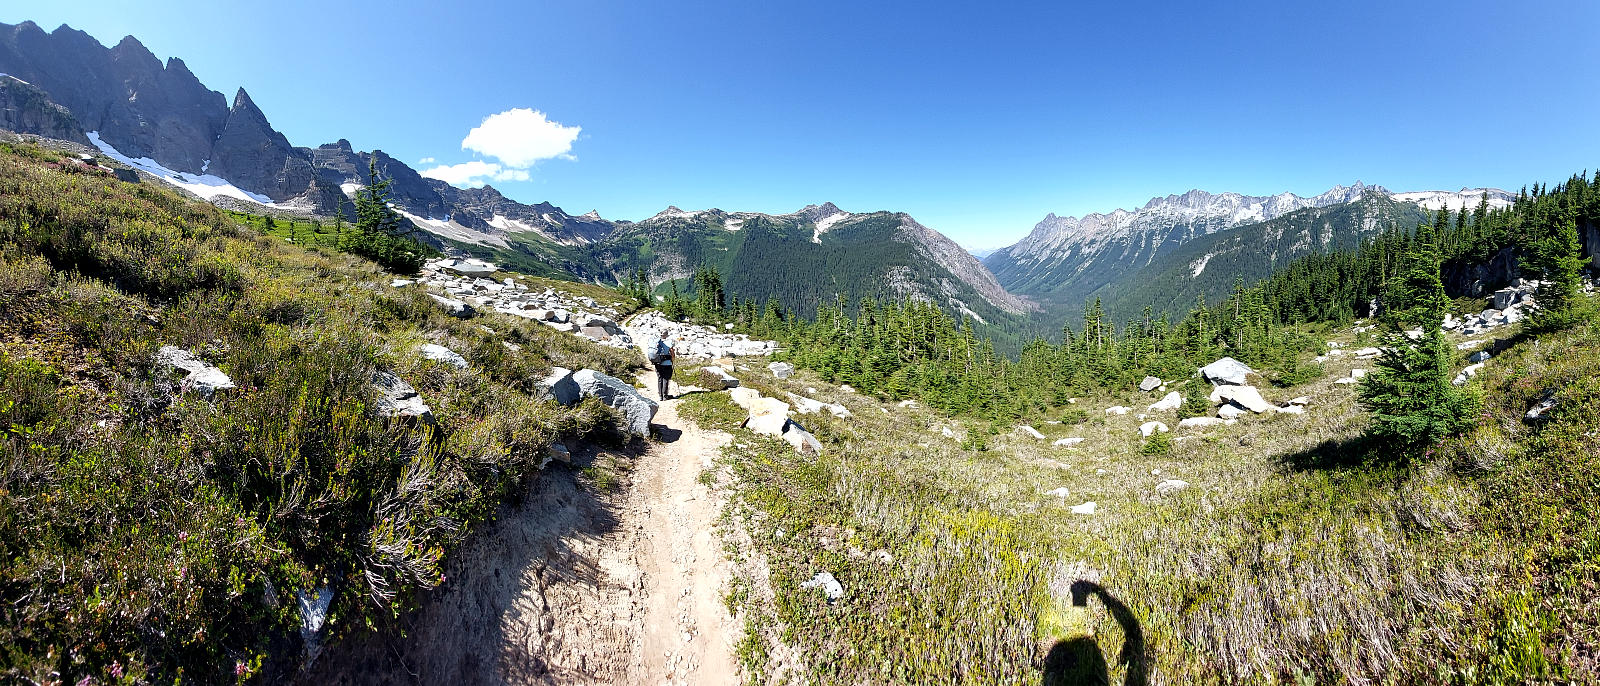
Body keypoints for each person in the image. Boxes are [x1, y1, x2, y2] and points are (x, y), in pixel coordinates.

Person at [651, 336, 676, 400]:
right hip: (667, 364)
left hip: (658, 363)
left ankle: (660, 396)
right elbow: (672, 352)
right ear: (667, 335)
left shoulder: (656, 342)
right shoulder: (669, 342)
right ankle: (665, 395)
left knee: (660, 378)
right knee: (666, 378)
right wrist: (672, 359)